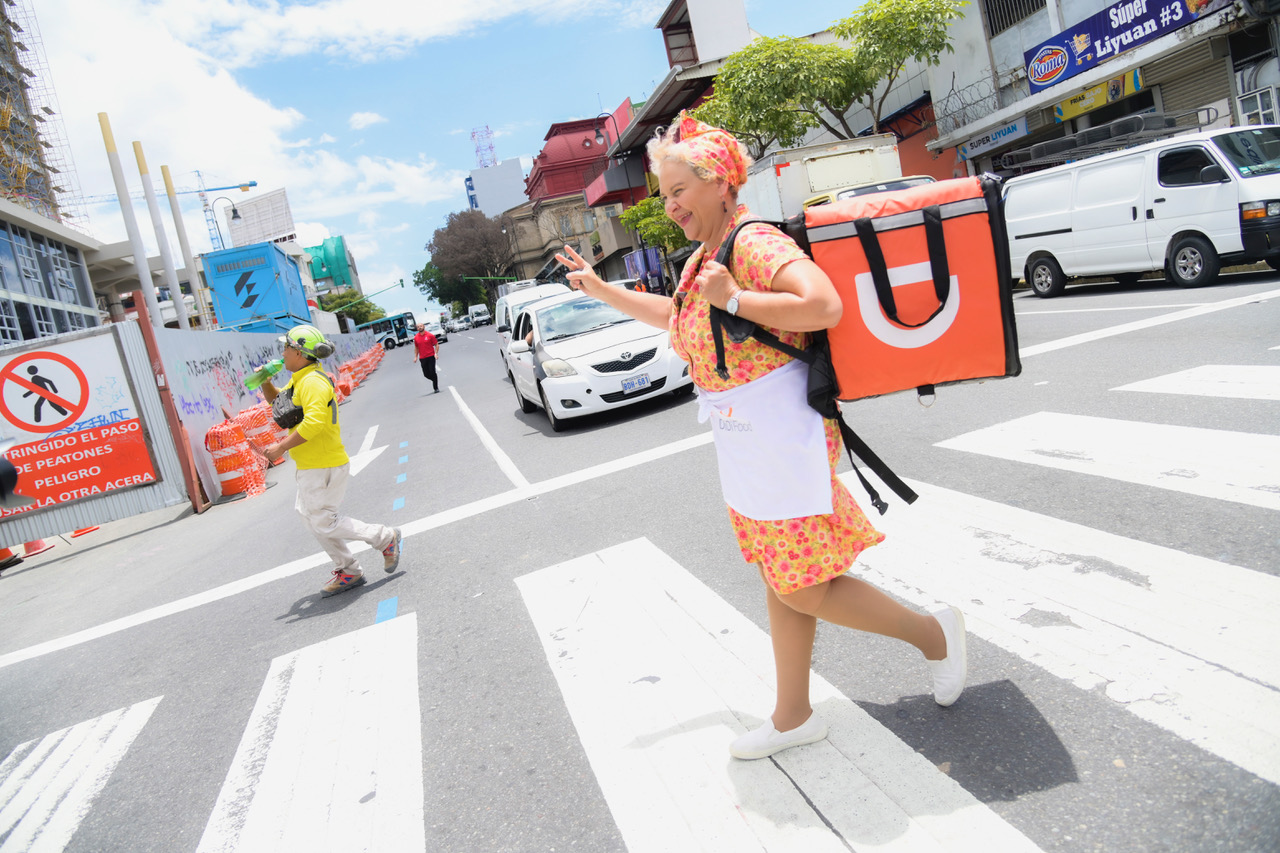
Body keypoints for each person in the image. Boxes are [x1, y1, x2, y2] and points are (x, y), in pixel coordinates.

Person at [554, 113, 967, 761]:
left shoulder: (752, 242)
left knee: (801, 583)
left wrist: (738, 301)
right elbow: (680, 313)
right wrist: (604, 291)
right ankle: (793, 712)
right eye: (664, 195)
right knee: (783, 578)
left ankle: (933, 635)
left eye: (678, 190)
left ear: (720, 182)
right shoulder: (702, 260)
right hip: (747, 442)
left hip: (782, 439)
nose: (671, 206)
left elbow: (822, 304)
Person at [261, 324, 403, 597]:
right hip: (311, 464)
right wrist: (265, 381)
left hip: (322, 463)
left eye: (286, 347)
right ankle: (348, 569)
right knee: (309, 516)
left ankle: (385, 537)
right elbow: (280, 406)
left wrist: (281, 447)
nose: (283, 352)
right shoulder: (300, 378)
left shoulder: (312, 382)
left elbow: (314, 423)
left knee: (324, 521)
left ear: (299, 352)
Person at [412, 323, 440, 393]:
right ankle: (434, 379)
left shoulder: (430, 335)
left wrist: (436, 353)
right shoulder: (416, 337)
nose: (419, 328)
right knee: (426, 374)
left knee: (432, 371)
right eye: (418, 327)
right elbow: (416, 348)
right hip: (422, 358)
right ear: (417, 328)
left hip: (431, 356)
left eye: (421, 326)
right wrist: (415, 357)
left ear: (423, 327)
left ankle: (435, 387)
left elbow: (436, 344)